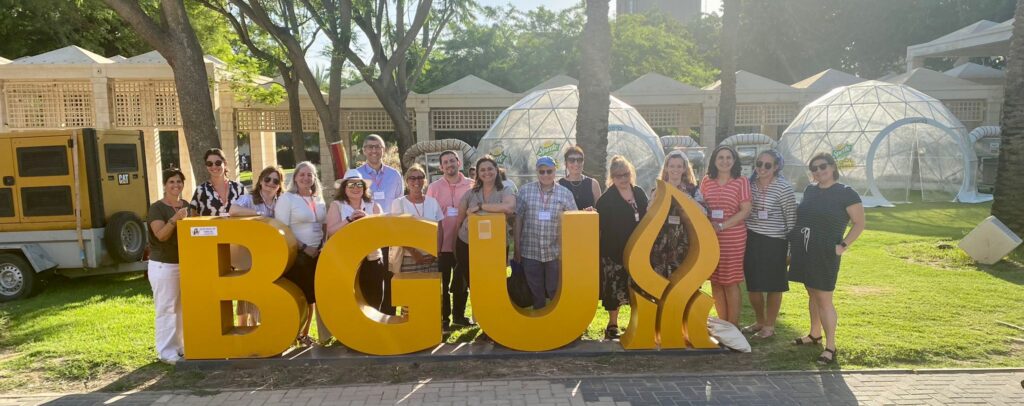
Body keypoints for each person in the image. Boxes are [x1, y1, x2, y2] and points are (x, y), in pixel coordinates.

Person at [789, 152, 865, 365]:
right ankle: (814, 334)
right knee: (811, 292)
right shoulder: (810, 190)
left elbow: (859, 223)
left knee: (824, 298)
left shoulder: (846, 193)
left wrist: (843, 246)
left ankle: (830, 346)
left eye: (823, 166)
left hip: (825, 252)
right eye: (814, 168)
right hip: (804, 248)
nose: (818, 171)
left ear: (832, 167)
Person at [742, 150, 797, 339]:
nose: (762, 168)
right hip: (752, 239)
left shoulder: (784, 188)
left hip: (776, 241)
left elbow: (791, 220)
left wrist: (790, 250)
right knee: (754, 286)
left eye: (767, 165)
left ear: (776, 167)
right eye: (759, 164)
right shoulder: (749, 185)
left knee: (774, 286)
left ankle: (770, 326)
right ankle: (759, 321)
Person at [455, 156, 516, 324]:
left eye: (490, 169)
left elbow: (509, 207)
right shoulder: (470, 194)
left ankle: (494, 321)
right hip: (467, 243)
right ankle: (481, 319)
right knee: (475, 283)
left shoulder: (505, 190)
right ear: (478, 174)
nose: (486, 172)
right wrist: (455, 244)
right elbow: (460, 220)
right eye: (482, 170)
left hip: (494, 246)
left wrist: (481, 207)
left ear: (496, 171)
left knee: (494, 283)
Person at [595, 156, 648, 340]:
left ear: (631, 173)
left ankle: (636, 322)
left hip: (638, 251)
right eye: (618, 176)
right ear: (612, 177)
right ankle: (612, 324)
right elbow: (599, 227)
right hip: (613, 252)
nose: (623, 179)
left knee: (638, 288)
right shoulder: (606, 200)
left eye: (625, 174)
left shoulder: (639, 193)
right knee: (614, 287)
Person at [514, 157, 578, 309]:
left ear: (555, 171)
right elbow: (517, 220)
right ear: (537, 172)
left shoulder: (565, 194)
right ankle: (539, 318)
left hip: (554, 251)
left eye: (549, 171)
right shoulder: (525, 191)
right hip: (530, 250)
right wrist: (517, 247)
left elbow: (574, 220)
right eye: (542, 171)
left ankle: (555, 320)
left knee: (553, 288)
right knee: (535, 289)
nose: (545, 175)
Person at [274, 161, 327, 346]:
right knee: (298, 296)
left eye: (310, 175)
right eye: (302, 174)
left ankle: (304, 334)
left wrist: (322, 246)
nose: (306, 178)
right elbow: (283, 228)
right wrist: (304, 248)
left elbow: (323, 224)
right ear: (295, 177)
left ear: (314, 179)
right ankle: (290, 333)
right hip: (297, 255)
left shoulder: (318, 198)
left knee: (311, 296)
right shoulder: (287, 198)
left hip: (317, 254)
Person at [699, 145, 751, 327]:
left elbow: (746, 210)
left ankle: (733, 325)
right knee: (716, 281)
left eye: (729, 157)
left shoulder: (741, 181)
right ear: (714, 161)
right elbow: (700, 206)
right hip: (711, 237)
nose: (724, 161)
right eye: (720, 157)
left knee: (730, 281)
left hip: (733, 237)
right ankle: (723, 324)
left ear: (734, 160)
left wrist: (722, 225)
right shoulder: (706, 181)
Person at [327, 170, 392, 315]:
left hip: (372, 258)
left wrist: (367, 219)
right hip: (346, 259)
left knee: (374, 297)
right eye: (351, 185)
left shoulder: (374, 205)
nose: (355, 188)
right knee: (348, 298)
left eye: (359, 184)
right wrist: (349, 219)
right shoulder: (337, 205)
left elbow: (384, 233)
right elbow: (331, 231)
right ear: (344, 188)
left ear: (364, 188)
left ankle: (372, 332)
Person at [228, 166, 285, 326]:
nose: (271, 183)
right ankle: (242, 327)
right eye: (267, 179)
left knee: (264, 290)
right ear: (260, 181)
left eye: (276, 180)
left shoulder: (281, 201)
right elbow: (232, 210)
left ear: (280, 185)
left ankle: (258, 324)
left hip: (270, 254)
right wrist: (257, 214)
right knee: (247, 290)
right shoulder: (249, 198)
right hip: (248, 252)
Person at [425, 151, 473, 330]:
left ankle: (460, 316)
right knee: (442, 283)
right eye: (445, 162)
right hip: (442, 243)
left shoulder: (470, 184)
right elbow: (429, 214)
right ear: (441, 167)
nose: (449, 164)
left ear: (459, 162)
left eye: (452, 160)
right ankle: (444, 318)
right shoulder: (434, 187)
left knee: (461, 282)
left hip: (464, 242)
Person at [147, 168, 189, 364]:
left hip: (185, 265)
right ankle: (166, 352)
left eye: (179, 181)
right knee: (166, 309)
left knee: (181, 309)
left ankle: (180, 347)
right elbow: (161, 235)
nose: (176, 185)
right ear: (164, 184)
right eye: (171, 181)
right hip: (164, 265)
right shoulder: (157, 208)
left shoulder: (187, 206)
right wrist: (175, 219)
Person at [649, 150, 700, 281]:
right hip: (660, 243)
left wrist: (685, 196)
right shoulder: (658, 189)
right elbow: (648, 213)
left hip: (684, 243)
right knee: (660, 281)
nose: (675, 169)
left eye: (679, 166)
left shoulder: (693, 190)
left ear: (684, 169)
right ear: (666, 168)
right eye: (671, 166)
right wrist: (655, 198)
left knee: (682, 280)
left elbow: (703, 212)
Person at [356, 134, 403, 270]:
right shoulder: (356, 175)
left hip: (389, 232)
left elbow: (399, 204)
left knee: (390, 272)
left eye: (378, 147)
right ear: (364, 150)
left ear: (383, 150)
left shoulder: (394, 175)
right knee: (369, 274)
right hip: (365, 232)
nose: (374, 150)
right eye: (370, 147)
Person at [389, 164, 444, 273]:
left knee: (430, 289)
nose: (416, 181)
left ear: (424, 180)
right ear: (406, 181)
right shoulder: (399, 203)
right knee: (410, 289)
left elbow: (440, 229)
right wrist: (414, 253)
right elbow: (397, 232)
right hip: (408, 257)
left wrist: (436, 252)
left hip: (431, 257)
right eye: (412, 178)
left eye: (420, 177)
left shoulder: (432, 202)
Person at [190, 148, 246, 216]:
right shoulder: (200, 190)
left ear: (225, 163)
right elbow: (192, 217)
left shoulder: (239, 188)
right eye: (209, 163)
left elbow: (249, 210)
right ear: (206, 166)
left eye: (218, 163)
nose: (214, 166)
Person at [558, 145, 602, 211]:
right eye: (571, 160)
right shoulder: (559, 185)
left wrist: (593, 210)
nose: (576, 163)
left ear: (583, 162)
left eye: (579, 160)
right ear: (565, 163)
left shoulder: (593, 184)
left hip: (588, 221)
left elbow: (601, 211)